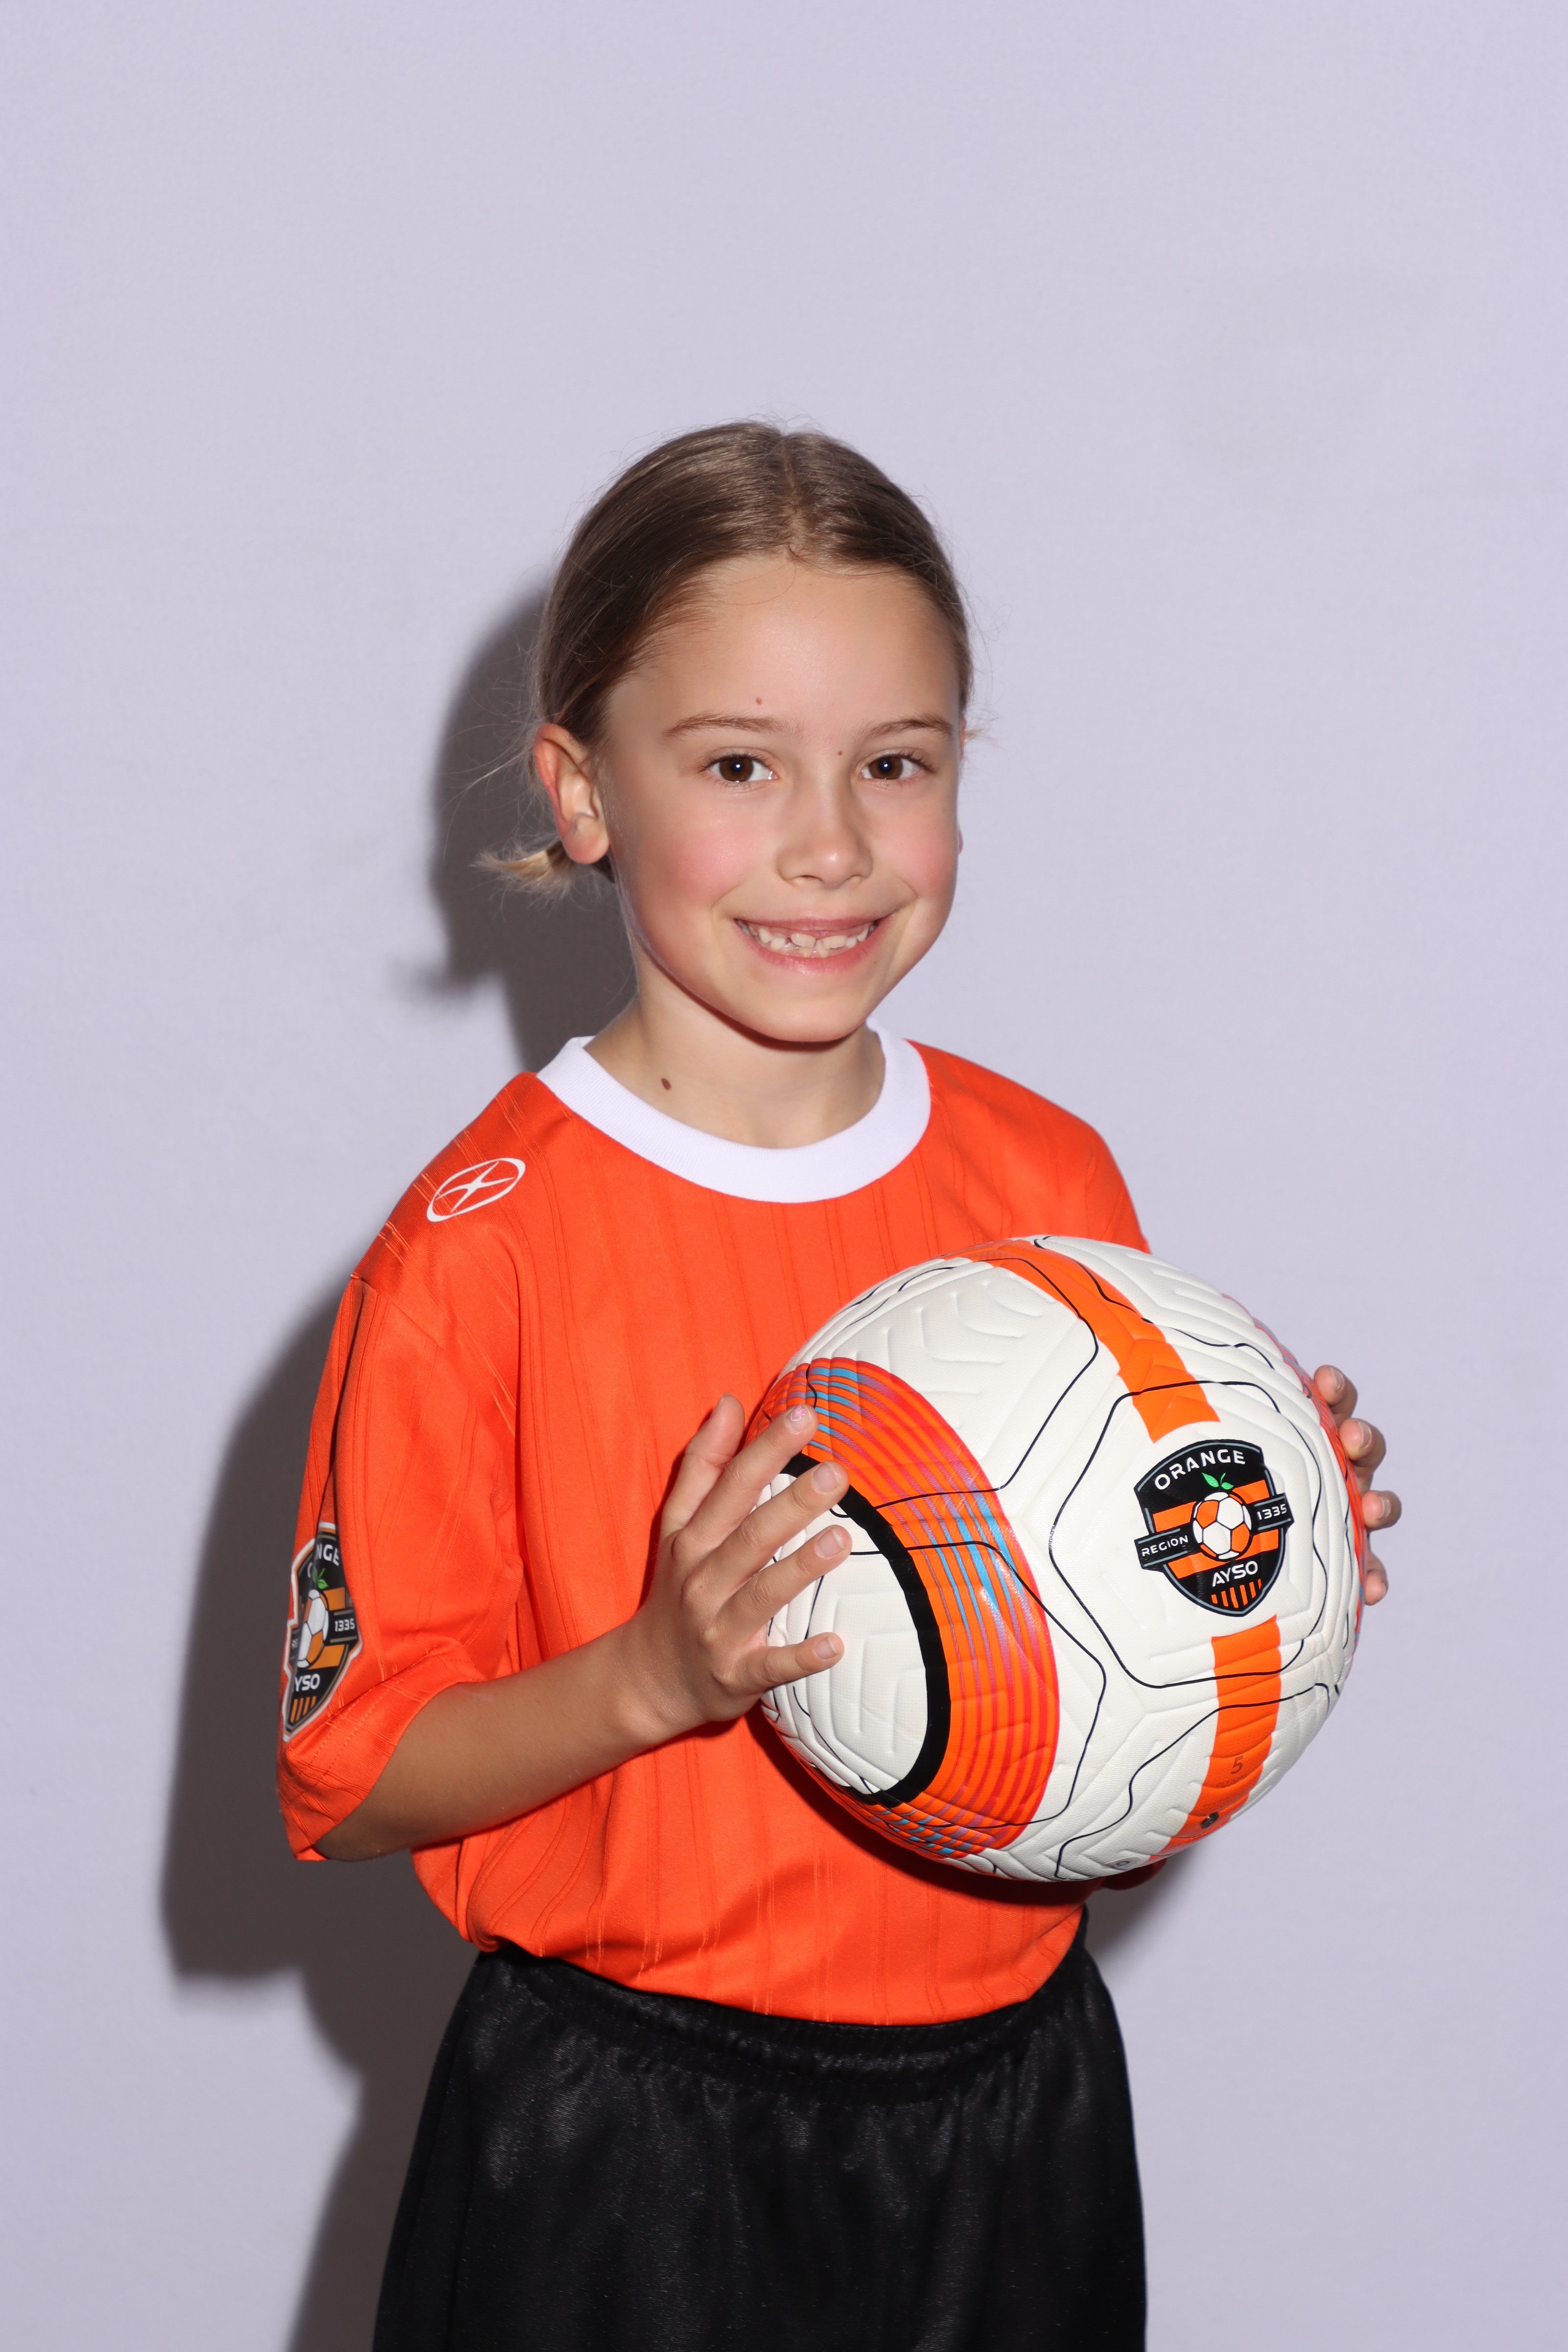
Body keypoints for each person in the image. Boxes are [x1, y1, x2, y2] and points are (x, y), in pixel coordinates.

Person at [276, 423, 1399, 2350]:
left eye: (897, 763)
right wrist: (655, 1675)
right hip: (628, 2144)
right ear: (582, 792)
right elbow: (351, 1772)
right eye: (739, 765)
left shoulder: (1045, 1185)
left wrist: (1238, 1565)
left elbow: (1099, 1722)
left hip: (1012, 2103)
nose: (830, 845)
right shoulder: (481, 1253)